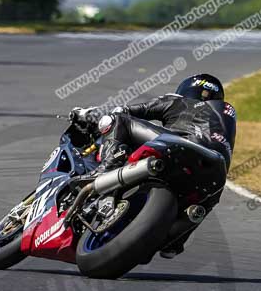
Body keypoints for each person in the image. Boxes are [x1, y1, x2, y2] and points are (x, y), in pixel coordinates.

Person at [72, 73, 236, 259]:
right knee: (199, 209)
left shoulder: (178, 101)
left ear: (187, 90)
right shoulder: (226, 119)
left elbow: (124, 110)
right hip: (215, 176)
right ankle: (175, 241)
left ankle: (105, 170)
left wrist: (87, 114)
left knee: (118, 120)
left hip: (180, 147)